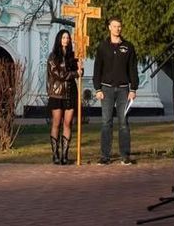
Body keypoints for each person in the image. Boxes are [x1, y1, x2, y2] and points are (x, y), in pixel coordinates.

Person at [92, 18, 139, 165]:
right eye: (114, 26)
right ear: (109, 27)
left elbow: (132, 68)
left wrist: (133, 88)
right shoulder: (102, 47)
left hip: (124, 90)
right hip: (106, 89)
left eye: (119, 26)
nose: (117, 29)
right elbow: (97, 69)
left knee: (124, 122)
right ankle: (105, 156)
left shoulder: (128, 47)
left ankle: (125, 155)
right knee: (106, 122)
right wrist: (97, 88)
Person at [45, 29, 81, 165]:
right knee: (56, 123)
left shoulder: (73, 56)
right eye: (63, 37)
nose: (66, 40)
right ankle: (55, 154)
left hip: (70, 93)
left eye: (68, 38)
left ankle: (65, 155)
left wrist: (80, 69)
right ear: (59, 39)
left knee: (67, 123)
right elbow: (59, 75)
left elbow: (79, 71)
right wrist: (75, 74)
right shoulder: (53, 57)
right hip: (57, 93)